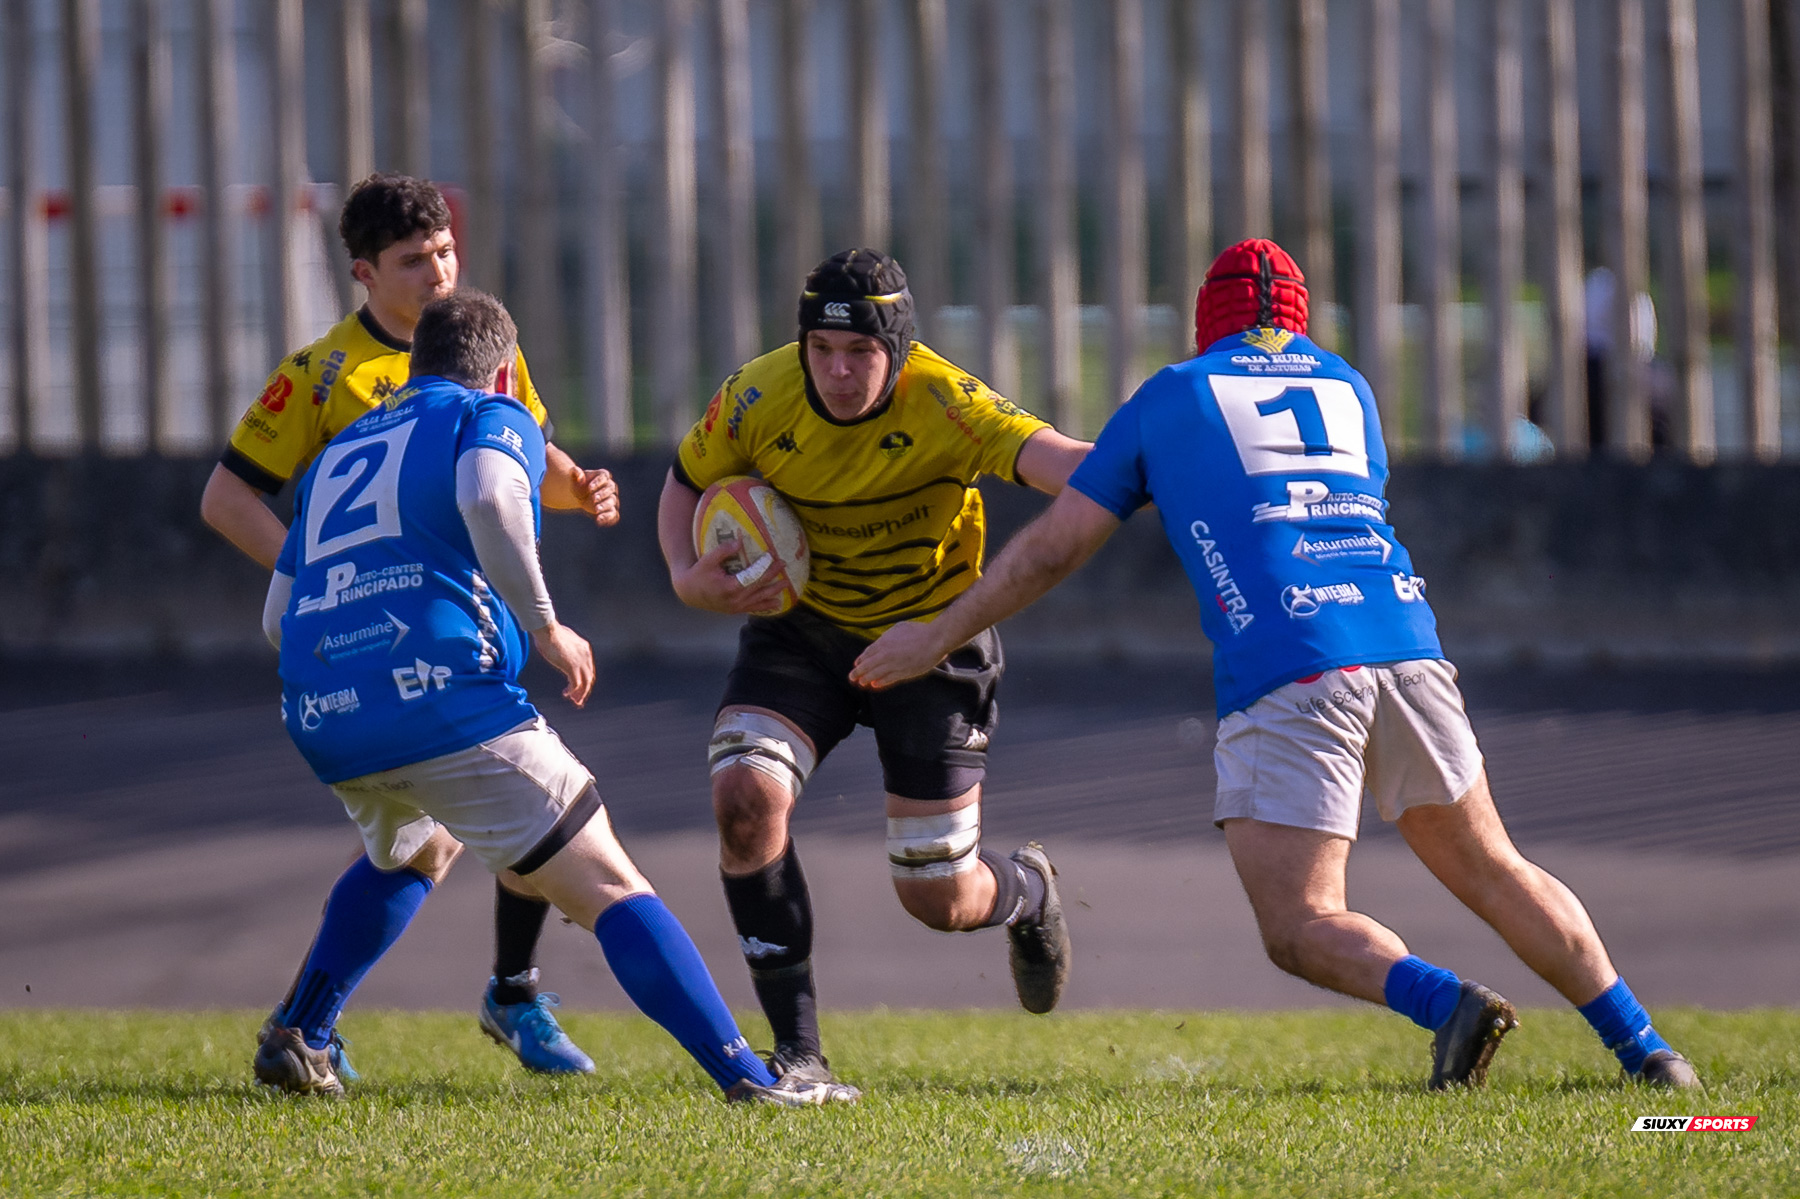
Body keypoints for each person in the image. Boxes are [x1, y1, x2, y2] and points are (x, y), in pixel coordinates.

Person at [852, 239, 1700, 1091]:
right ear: (1297, 319)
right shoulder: (1350, 386)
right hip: (1408, 644)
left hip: (1293, 662)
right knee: (1496, 866)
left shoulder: (1173, 395)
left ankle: (1449, 1005)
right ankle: (1647, 1050)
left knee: (1300, 922)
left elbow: (1050, 551)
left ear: (1203, 323)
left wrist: (935, 633)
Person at [253, 290, 852, 1106]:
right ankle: (751, 1079)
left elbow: (275, 615)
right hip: (440, 696)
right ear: (501, 369)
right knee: (608, 880)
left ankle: (302, 1030)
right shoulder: (494, 413)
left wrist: (346, 679)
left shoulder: (338, 451)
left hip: (322, 711)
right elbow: (492, 497)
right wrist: (546, 627)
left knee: (417, 847)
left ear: (413, 362)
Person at [200, 174, 615, 1076]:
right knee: (472, 822)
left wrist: (575, 486)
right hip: (387, 646)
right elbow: (226, 496)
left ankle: (363, 1015)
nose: (438, 270)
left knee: (486, 815)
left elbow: (519, 457)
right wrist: (307, 572)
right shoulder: (321, 375)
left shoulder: (482, 345)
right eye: (413, 259)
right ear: (362, 271)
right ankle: (478, 997)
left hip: (474, 617)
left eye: (445, 250)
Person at [656, 249, 1092, 1092]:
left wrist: (1151, 456)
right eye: (823, 350)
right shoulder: (757, 394)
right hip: (803, 634)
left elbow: (1062, 463)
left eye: (860, 354)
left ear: (898, 348)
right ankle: (800, 1056)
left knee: (938, 895)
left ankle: (1026, 890)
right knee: (744, 800)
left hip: (933, 644)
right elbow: (684, 481)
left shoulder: (948, 398)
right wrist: (684, 574)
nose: (840, 371)